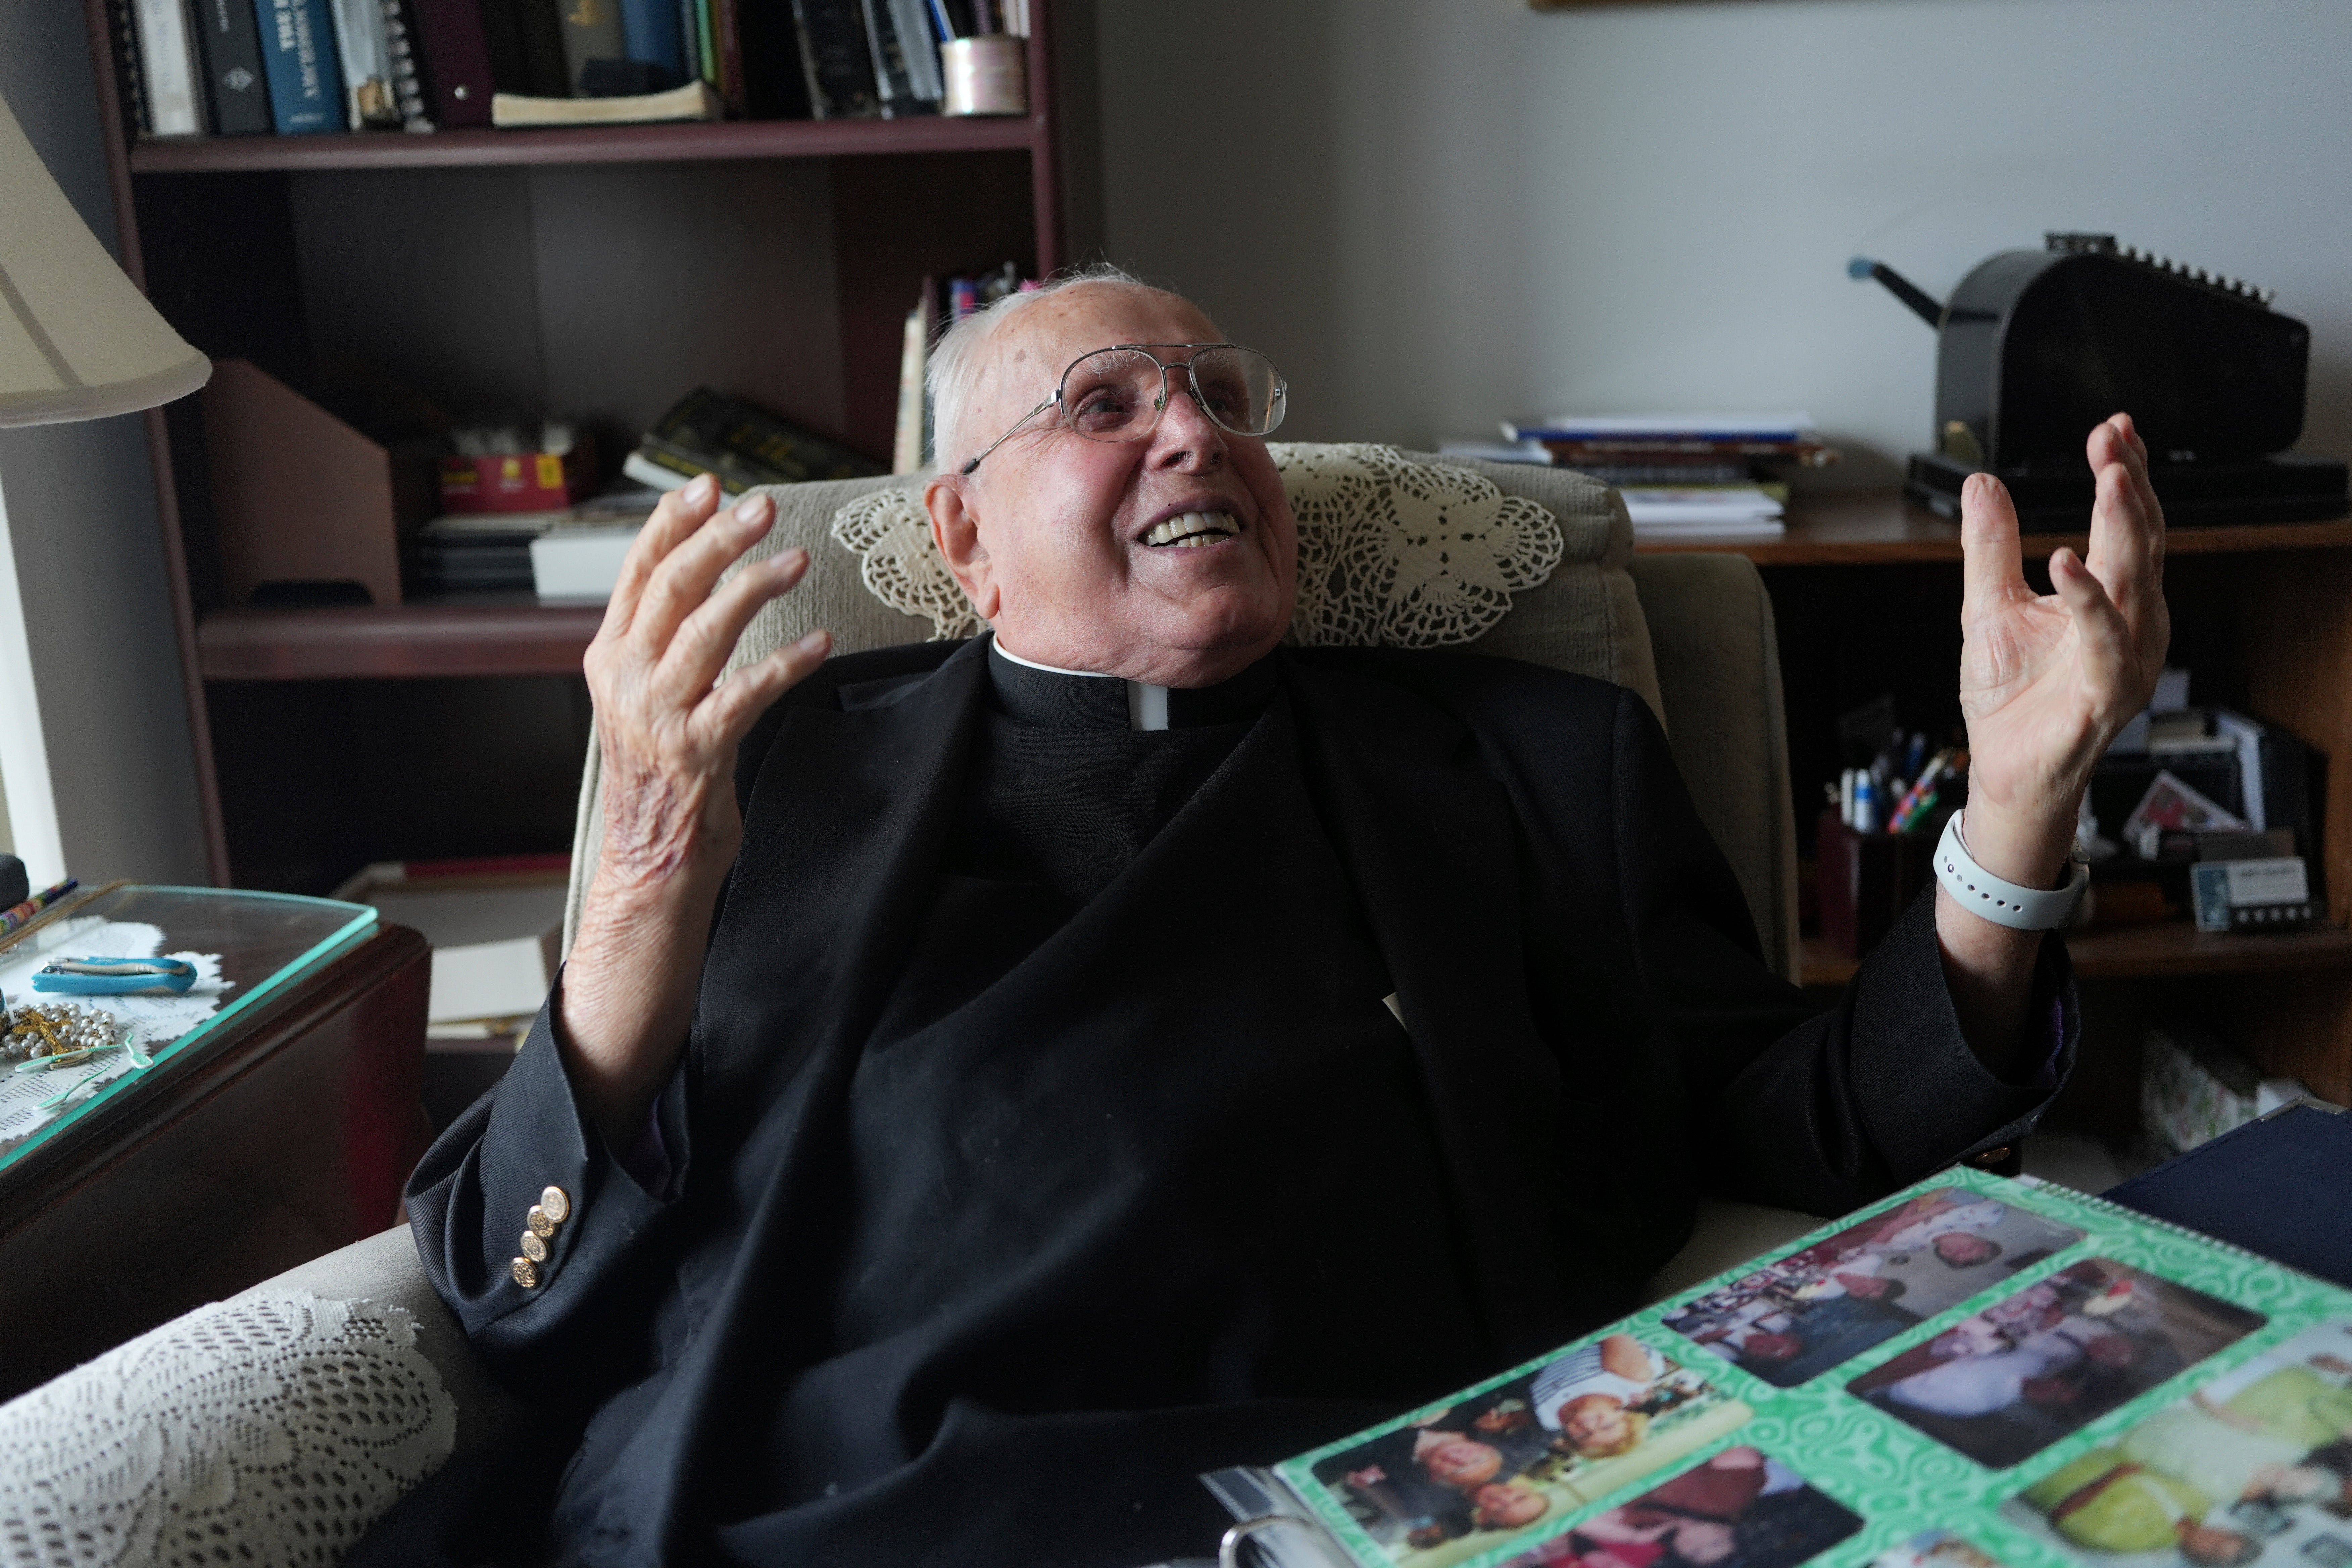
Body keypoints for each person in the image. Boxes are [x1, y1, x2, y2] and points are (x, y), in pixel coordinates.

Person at [377, 264, 2170, 1567]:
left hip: (1357, 1510)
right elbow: (516, 1291)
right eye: (1106, 405)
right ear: (964, 535)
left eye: (1223, 399)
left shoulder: (1535, 765)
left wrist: (2012, 817)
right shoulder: (777, 775)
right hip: (867, 1517)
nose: (1201, 437)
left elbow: (1812, 1120)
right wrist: (630, 901)